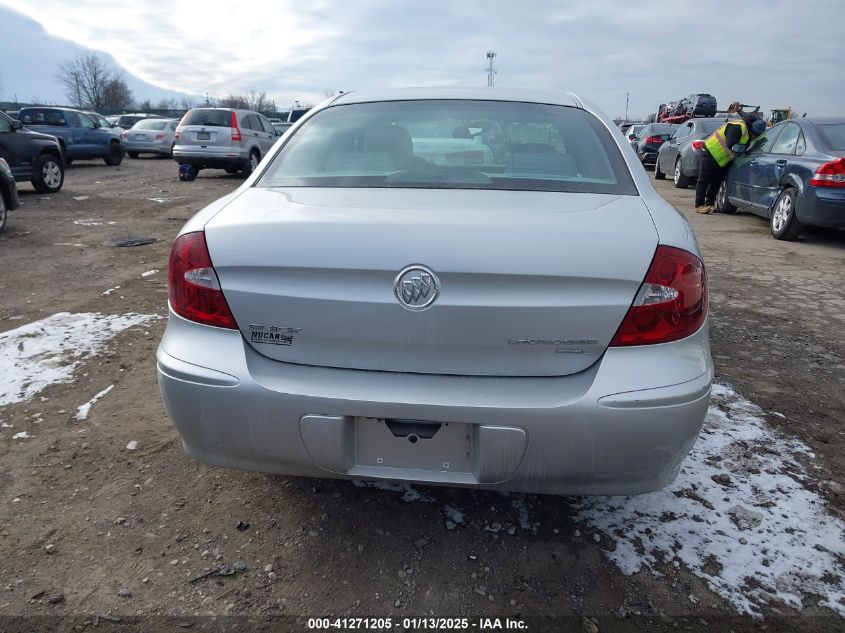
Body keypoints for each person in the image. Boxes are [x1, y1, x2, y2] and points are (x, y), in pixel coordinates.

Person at [695, 115, 767, 214]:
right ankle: (699, 205)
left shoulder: (748, 133)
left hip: (722, 158)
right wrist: (743, 148)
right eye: (753, 133)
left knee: (716, 181)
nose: (754, 136)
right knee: (704, 179)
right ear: (751, 127)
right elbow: (731, 144)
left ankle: (709, 204)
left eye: (756, 135)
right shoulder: (737, 127)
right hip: (710, 151)